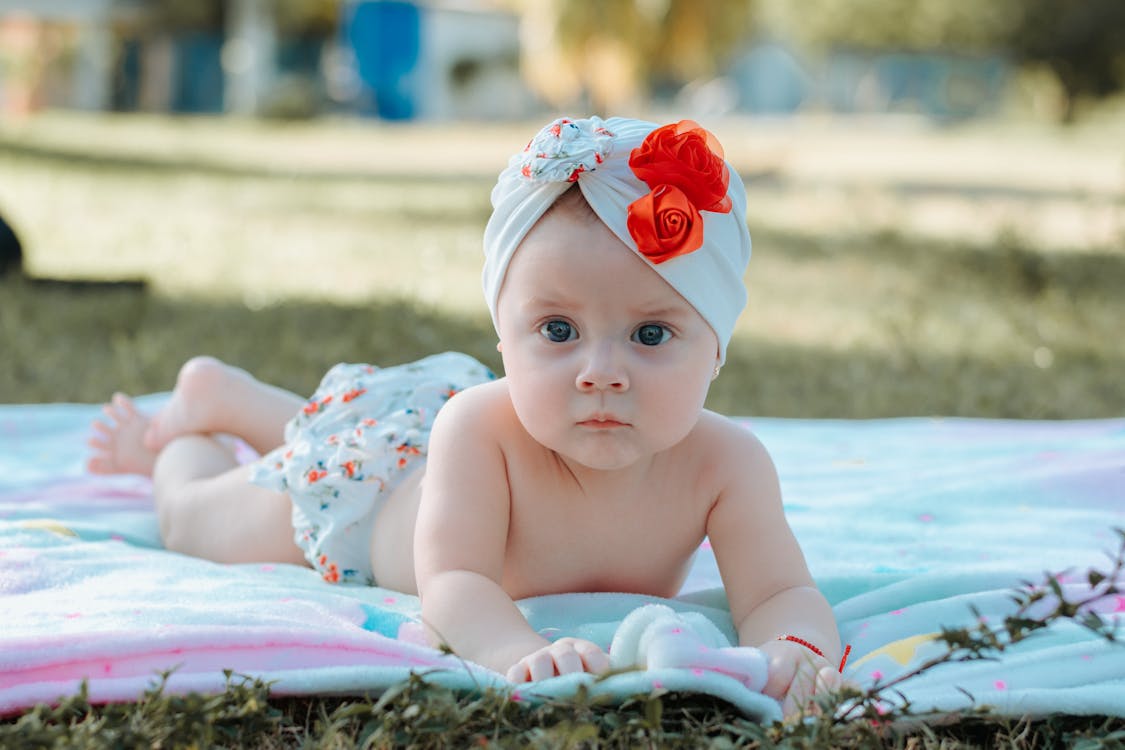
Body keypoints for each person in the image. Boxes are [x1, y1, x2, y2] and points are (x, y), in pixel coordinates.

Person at [88, 116, 841, 715]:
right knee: (197, 520)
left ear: (715, 349)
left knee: (347, 435)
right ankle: (186, 430)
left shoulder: (727, 463)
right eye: (556, 331)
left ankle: (246, 403)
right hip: (372, 499)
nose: (599, 373)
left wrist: (796, 646)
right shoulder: (479, 430)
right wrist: (515, 649)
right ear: (503, 337)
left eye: (650, 335)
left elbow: (779, 593)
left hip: (409, 455)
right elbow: (451, 580)